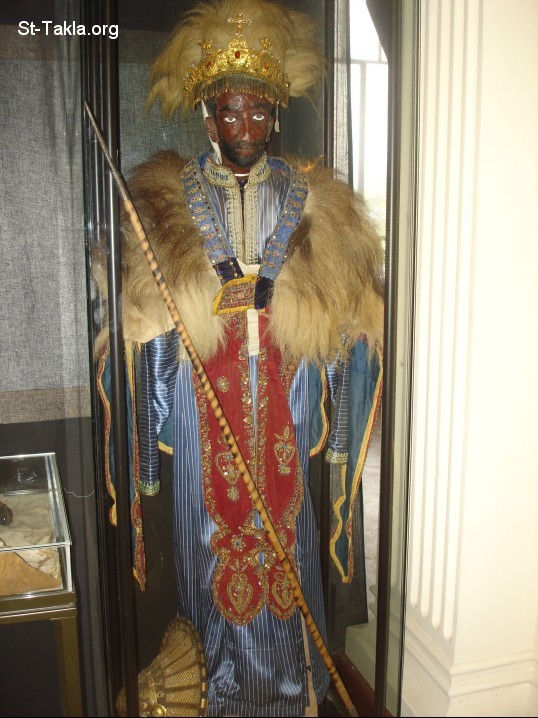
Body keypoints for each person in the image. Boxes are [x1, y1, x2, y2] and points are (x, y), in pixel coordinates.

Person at [96, 0, 384, 715]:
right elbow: (142, 317)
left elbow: (345, 313)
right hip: (205, 412)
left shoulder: (309, 198)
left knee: (289, 544)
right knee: (210, 551)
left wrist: (316, 316)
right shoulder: (171, 199)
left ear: (275, 114)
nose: (246, 126)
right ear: (208, 116)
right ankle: (220, 693)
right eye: (231, 111)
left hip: (284, 405)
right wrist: (162, 316)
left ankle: (294, 690)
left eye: (258, 111)